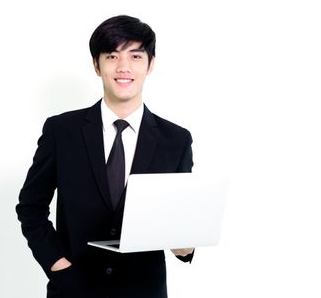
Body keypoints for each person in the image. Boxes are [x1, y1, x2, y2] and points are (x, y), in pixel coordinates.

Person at [16, 15, 194, 298]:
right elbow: (30, 206)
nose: (124, 67)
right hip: (75, 289)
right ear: (96, 65)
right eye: (112, 55)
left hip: (144, 291)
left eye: (136, 56)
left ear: (151, 64)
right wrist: (56, 263)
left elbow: (177, 219)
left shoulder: (176, 140)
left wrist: (186, 246)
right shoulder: (61, 131)